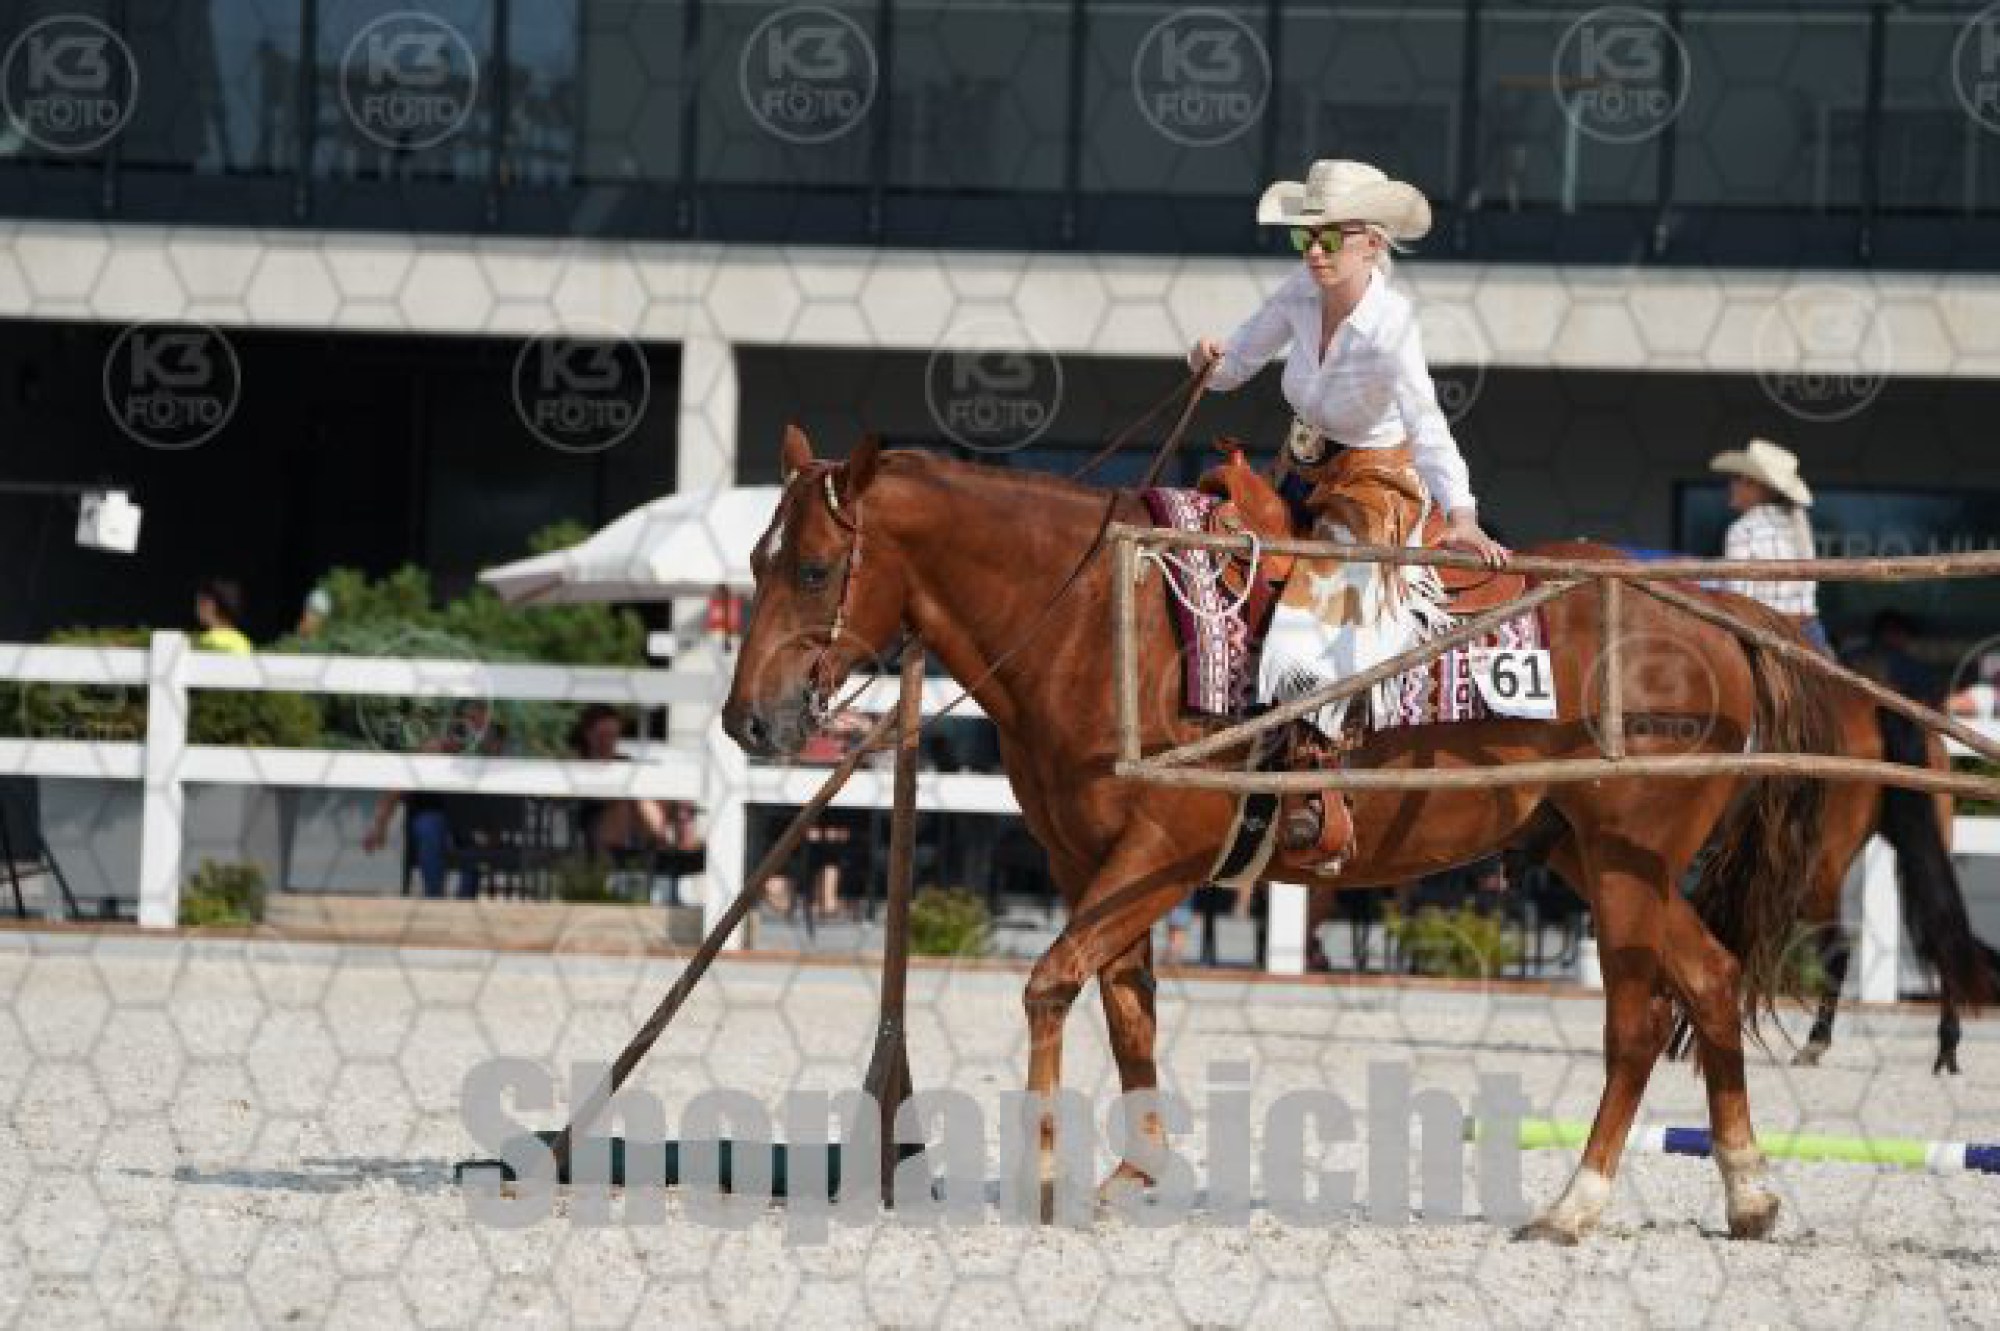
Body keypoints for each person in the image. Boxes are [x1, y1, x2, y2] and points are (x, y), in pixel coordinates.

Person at [1187, 158, 1507, 871]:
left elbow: (1427, 423)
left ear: (1372, 243)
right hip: (1301, 470)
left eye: (1331, 238)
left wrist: (1461, 514)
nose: (1315, 251)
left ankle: (1317, 783)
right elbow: (1235, 364)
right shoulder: (1299, 291)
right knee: (1217, 548)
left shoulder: (1393, 325)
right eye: (1306, 237)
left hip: (1373, 484)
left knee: (1317, 624)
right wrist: (1206, 358)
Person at [361, 700, 500, 899]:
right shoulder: (432, 751)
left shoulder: (486, 756)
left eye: (479, 725)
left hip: (467, 822)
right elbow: (396, 787)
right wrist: (379, 826)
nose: (469, 730)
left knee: (473, 839)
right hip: (432, 815)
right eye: (465, 723)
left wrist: (489, 752)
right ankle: (434, 897)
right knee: (430, 827)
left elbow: (498, 802)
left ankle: (466, 901)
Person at [1709, 438, 1829, 654]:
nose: (1732, 485)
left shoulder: (1744, 529)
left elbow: (1739, 603)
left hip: (1769, 636)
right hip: (1809, 633)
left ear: (1755, 485)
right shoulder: (1799, 521)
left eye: (1738, 478)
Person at [194, 578, 253, 654]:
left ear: (210, 605)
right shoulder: (243, 643)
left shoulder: (204, 643)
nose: (197, 609)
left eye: (200, 602)